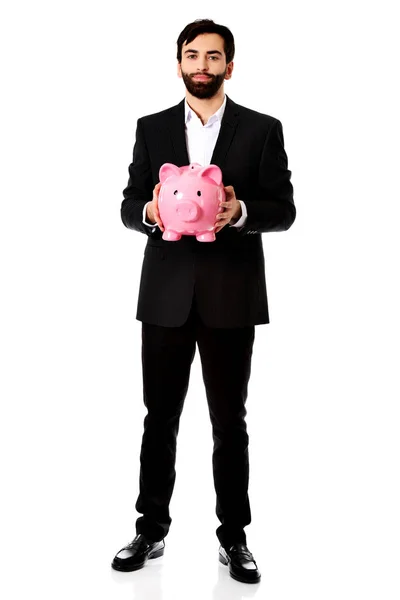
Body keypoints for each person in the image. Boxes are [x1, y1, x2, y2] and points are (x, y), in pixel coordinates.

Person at [111, 19, 296, 584]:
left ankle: (234, 537)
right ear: (178, 62)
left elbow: (284, 209)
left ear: (229, 66)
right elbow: (127, 204)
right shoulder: (151, 128)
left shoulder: (262, 129)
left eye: (214, 56)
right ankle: (151, 529)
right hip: (165, 295)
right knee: (158, 418)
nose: (202, 64)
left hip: (230, 296)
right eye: (193, 54)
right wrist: (151, 213)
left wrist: (238, 214)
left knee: (229, 422)